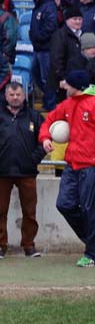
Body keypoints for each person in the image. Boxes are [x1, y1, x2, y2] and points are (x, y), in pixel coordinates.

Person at [38, 70, 95, 266]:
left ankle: (92, 254)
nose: (64, 86)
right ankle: (92, 240)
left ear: (77, 87)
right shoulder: (68, 104)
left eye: (68, 84)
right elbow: (48, 121)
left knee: (91, 209)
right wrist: (45, 138)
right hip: (72, 164)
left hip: (92, 165)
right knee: (64, 204)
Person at [0, 80, 46, 258]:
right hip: (2, 172)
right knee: (0, 211)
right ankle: (1, 246)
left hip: (27, 172)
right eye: (11, 95)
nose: (15, 98)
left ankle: (29, 245)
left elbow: (45, 140)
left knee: (30, 211)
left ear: (24, 95)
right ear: (6, 96)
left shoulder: (34, 116)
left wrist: (33, 159)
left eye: (18, 94)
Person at [29, 0, 59, 110]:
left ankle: (50, 105)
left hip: (46, 49)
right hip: (38, 49)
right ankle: (51, 98)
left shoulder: (49, 7)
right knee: (36, 74)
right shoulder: (38, 7)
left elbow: (51, 27)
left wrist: (37, 37)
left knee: (46, 78)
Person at [48, 3, 85, 108]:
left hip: (77, 80)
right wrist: (62, 78)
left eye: (80, 19)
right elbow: (56, 59)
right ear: (67, 20)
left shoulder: (84, 34)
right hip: (62, 82)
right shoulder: (59, 35)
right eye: (75, 19)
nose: (78, 21)